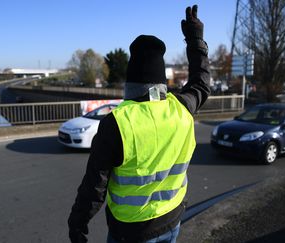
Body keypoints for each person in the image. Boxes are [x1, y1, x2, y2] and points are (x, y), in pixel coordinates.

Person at [68, 5, 210, 243]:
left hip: (130, 233)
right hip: (172, 219)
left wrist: (77, 223)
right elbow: (201, 84)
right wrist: (195, 40)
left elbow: (95, 186)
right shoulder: (182, 108)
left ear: (130, 82)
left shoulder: (117, 123)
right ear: (161, 80)